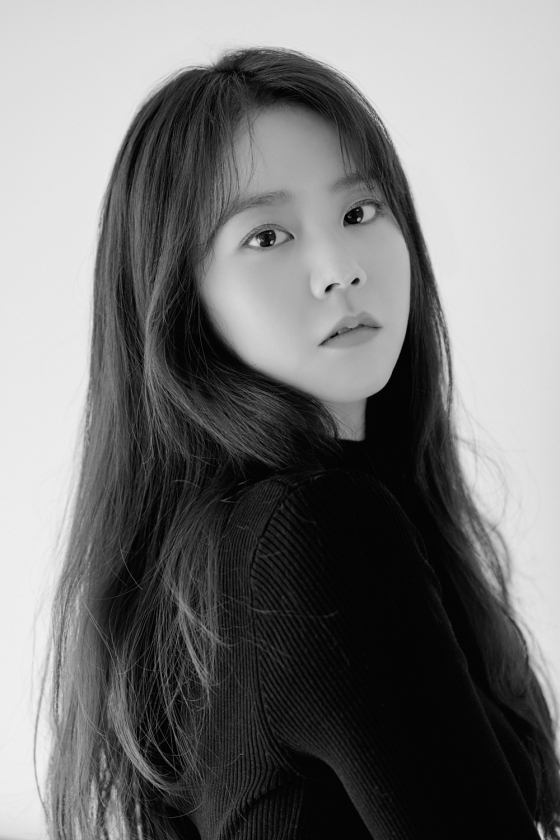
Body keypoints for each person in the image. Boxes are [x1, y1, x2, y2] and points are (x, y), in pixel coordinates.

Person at [41, 45, 560, 839]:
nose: (338, 269)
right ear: (182, 298)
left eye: (360, 213)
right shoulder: (314, 530)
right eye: (268, 235)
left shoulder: (228, 552)